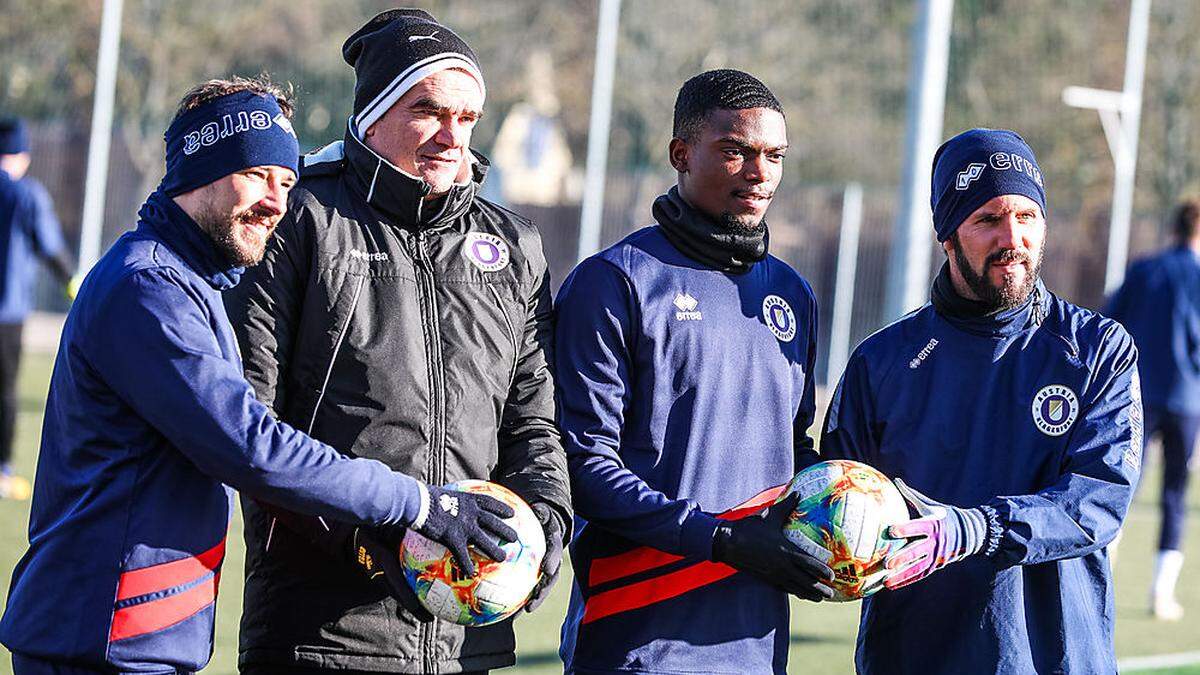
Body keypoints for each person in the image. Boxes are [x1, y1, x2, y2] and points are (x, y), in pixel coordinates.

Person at [0, 77, 517, 674]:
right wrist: (420, 504)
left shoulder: (194, 285)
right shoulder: (147, 289)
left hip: (137, 642)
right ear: (199, 172)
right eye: (256, 175)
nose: (278, 201)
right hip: (98, 643)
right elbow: (252, 447)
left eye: (289, 181)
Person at [223, 10, 571, 675]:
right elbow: (254, 433)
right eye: (430, 111)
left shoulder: (515, 247)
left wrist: (548, 518)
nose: (452, 135)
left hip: (470, 639)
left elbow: (534, 424)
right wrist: (383, 535)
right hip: (323, 638)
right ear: (374, 114)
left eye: (467, 118)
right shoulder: (300, 221)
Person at [821, 128, 1142, 673]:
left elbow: (1099, 501)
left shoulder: (1097, 350)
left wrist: (978, 528)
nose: (1011, 237)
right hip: (916, 656)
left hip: (1056, 657)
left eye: (1026, 216)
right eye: (988, 219)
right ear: (948, 234)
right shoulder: (881, 363)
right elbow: (832, 492)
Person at [554, 69, 834, 675]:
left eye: (775, 156)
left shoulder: (792, 293)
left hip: (756, 644)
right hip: (637, 642)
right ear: (681, 154)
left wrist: (850, 508)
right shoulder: (614, 283)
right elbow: (584, 467)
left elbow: (790, 451)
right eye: (735, 152)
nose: (760, 174)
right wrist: (721, 539)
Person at [1104, 199, 1200, 621]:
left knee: (1122, 486)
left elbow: (1109, 324)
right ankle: (1161, 594)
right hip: (1186, 398)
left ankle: (1100, 574)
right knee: (1175, 494)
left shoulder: (1144, 269)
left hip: (1136, 395)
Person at [0, 118, 75, 500]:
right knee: (5, 391)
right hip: (6, 311)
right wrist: (74, 283)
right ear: (23, 154)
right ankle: (2, 471)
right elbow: (49, 246)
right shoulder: (26, 195)